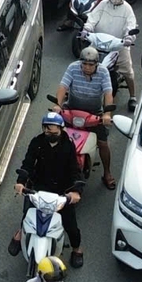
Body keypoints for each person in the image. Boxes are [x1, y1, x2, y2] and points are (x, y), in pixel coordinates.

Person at [9, 112, 87, 266]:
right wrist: (21, 182)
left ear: (61, 129)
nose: (50, 134)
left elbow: (74, 169)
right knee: (27, 216)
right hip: (38, 188)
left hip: (62, 192)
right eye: (47, 131)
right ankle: (20, 233)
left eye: (54, 132)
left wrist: (76, 191)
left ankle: (77, 249)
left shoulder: (68, 145)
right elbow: (28, 164)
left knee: (71, 226)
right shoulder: (37, 142)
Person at [57, 48, 117, 189]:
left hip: (94, 113)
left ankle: (107, 173)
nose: (87, 67)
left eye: (91, 65)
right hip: (71, 109)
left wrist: (107, 114)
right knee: (54, 133)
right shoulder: (72, 68)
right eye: (85, 64)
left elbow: (108, 94)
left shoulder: (103, 72)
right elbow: (62, 87)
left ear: (96, 64)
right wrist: (57, 105)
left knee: (103, 143)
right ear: (80, 63)